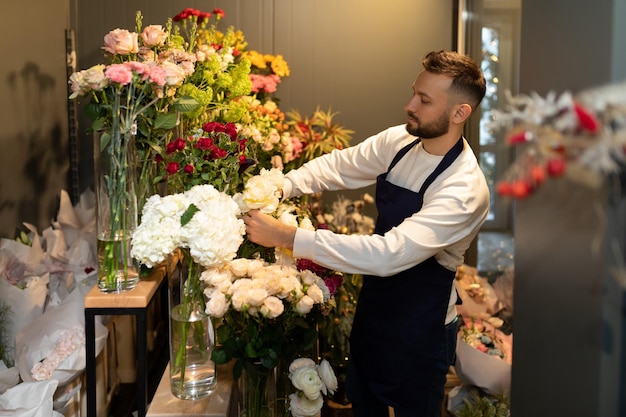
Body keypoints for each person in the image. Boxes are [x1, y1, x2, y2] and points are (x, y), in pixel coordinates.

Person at [243, 50, 490, 417]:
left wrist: (288, 237)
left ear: (459, 113)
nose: (409, 105)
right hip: (376, 310)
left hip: (422, 329)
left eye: (424, 100)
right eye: (413, 93)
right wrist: (281, 187)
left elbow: (389, 254)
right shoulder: (401, 142)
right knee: (365, 404)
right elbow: (340, 166)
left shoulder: (464, 188)